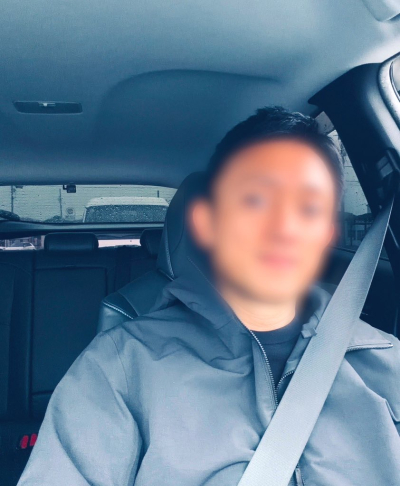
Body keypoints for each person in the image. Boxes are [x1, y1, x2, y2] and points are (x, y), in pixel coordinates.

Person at [18, 107, 400, 486]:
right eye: (256, 200)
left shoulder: (387, 362)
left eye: (309, 207)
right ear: (207, 223)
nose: (284, 227)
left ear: (329, 232)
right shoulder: (119, 367)